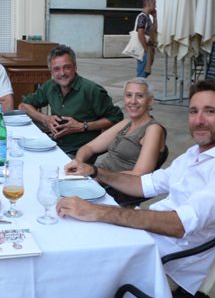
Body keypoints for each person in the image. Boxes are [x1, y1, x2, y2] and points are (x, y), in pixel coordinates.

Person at [59, 80, 215, 295]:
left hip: (165, 263)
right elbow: (143, 184)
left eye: (210, 111)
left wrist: (98, 212)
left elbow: (179, 224)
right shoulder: (194, 154)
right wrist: (95, 171)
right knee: (69, 232)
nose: (199, 120)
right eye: (193, 111)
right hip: (147, 239)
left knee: (74, 263)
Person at [66, 77, 167, 205]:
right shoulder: (125, 123)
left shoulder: (153, 130)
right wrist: (79, 163)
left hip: (112, 191)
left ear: (150, 101)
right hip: (94, 180)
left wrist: (98, 175)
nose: (133, 101)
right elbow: (89, 148)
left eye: (140, 96)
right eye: (128, 95)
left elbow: (139, 177)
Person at [18, 44, 123, 161]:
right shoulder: (50, 86)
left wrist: (83, 126)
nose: (62, 73)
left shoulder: (91, 90)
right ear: (51, 71)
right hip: (54, 145)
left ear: (75, 67)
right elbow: (23, 106)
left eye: (66, 67)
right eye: (56, 69)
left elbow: (116, 118)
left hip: (79, 152)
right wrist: (44, 119)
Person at [136, 0, 157, 78]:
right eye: (154, 4)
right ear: (149, 4)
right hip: (143, 48)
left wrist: (155, 17)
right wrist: (145, 48)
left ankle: (140, 87)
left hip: (147, 48)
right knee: (142, 72)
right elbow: (140, 32)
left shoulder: (147, 17)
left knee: (145, 71)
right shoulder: (142, 16)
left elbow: (155, 29)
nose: (155, 6)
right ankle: (139, 88)